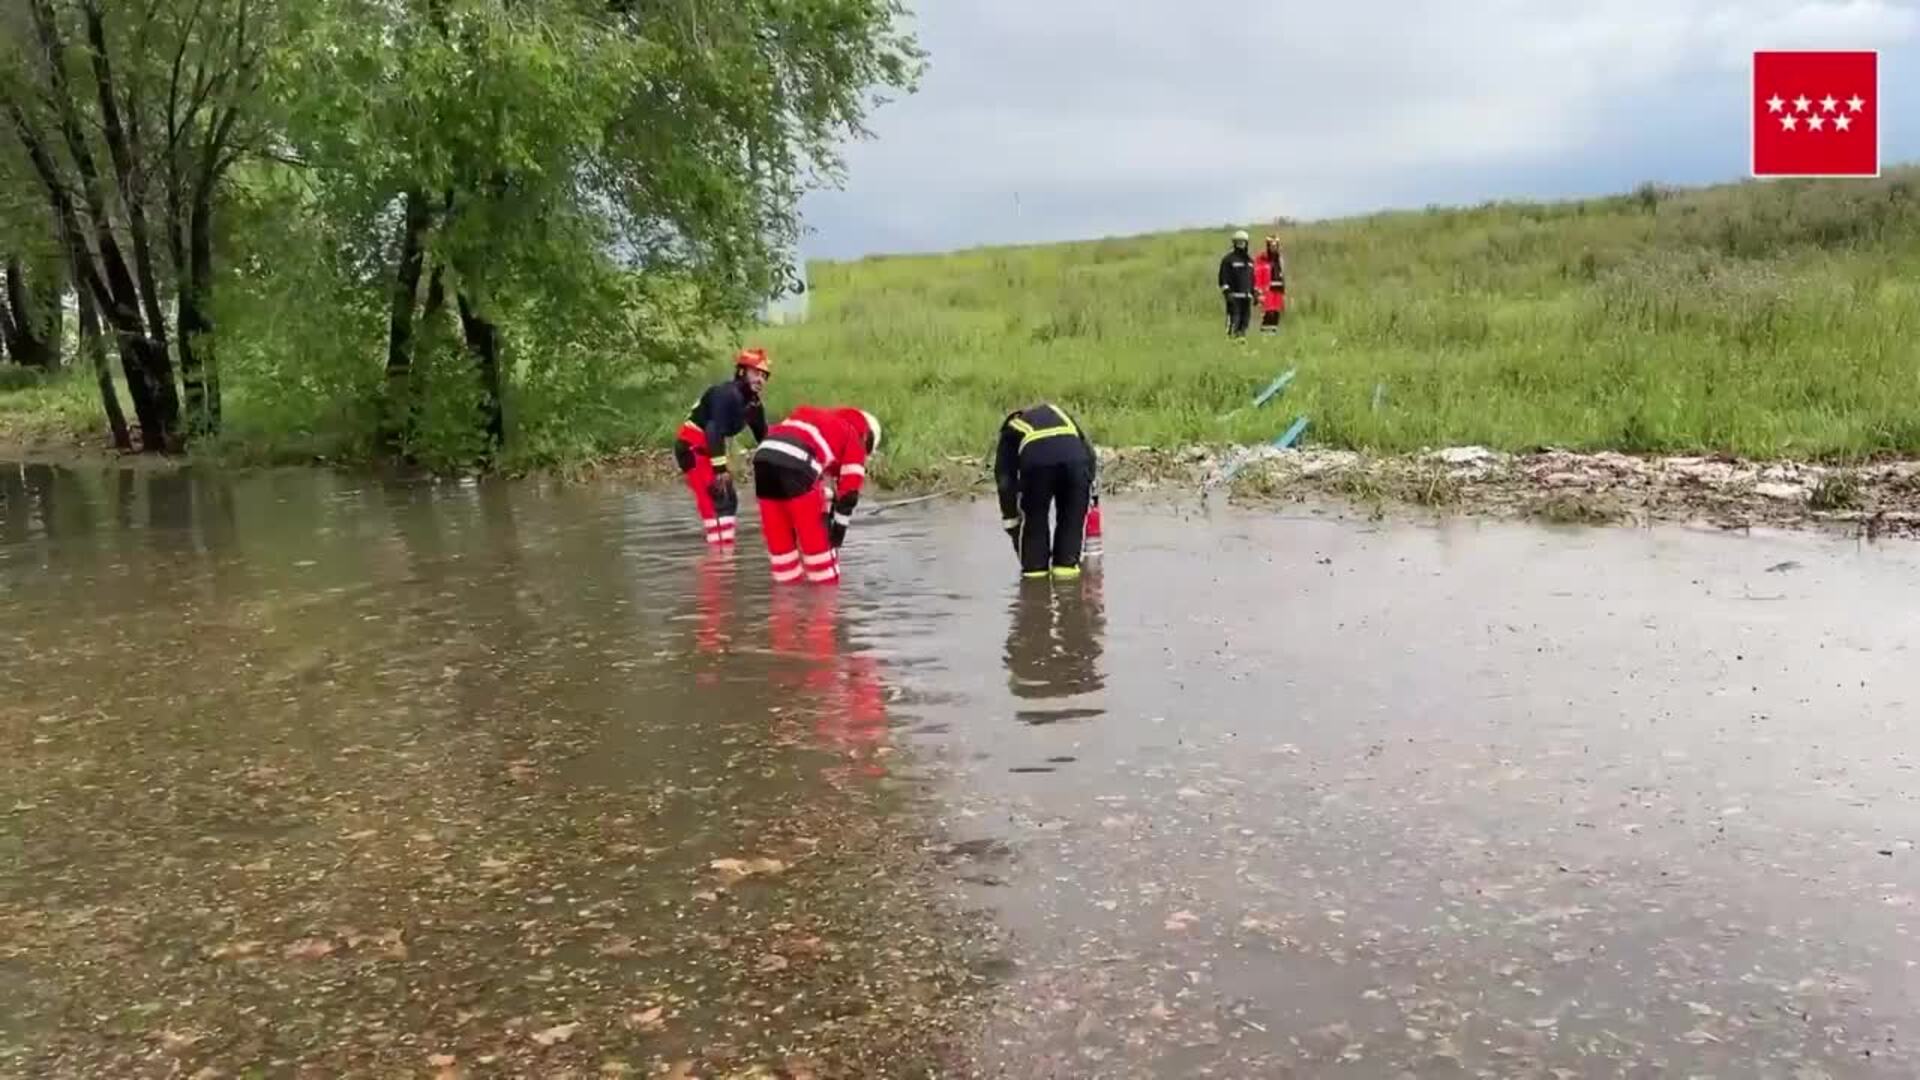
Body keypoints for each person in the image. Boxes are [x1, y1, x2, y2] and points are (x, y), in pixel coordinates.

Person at [751, 405, 881, 585]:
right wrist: (838, 533)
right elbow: (849, 494)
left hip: (763, 460)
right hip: (797, 464)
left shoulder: (815, 420)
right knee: (819, 551)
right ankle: (825, 601)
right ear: (866, 436)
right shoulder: (854, 434)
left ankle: (786, 601)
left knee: (781, 549)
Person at [673, 348, 771, 545]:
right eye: (756, 373)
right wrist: (720, 469)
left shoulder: (753, 404)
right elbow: (713, 429)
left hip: (709, 450)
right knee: (718, 502)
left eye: (764, 376)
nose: (760, 380)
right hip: (693, 449)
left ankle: (722, 554)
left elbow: (764, 437)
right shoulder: (726, 394)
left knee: (727, 502)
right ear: (742, 372)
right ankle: (719, 560)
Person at [995, 402, 1097, 581]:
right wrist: (1090, 492)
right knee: (1071, 523)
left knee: (1035, 522)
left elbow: (1005, 479)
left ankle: (1035, 586)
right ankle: (1068, 587)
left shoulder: (1011, 428)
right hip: (1077, 462)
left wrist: (1010, 519)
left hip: (1038, 464)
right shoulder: (1063, 414)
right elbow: (1090, 454)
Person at [1218, 229, 1256, 339]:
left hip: (1246, 297)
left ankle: (1241, 341)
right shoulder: (1228, 260)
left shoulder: (1250, 262)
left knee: (1245, 322)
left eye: (1243, 242)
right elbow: (1223, 278)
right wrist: (1227, 292)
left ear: (1247, 243)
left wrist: (1255, 293)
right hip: (1234, 297)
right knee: (1233, 321)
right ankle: (1229, 341)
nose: (1241, 245)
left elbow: (1252, 279)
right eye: (1238, 242)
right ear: (1234, 243)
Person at [1254, 234, 1287, 333]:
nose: (1274, 247)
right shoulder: (1262, 258)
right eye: (1272, 245)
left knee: (1276, 312)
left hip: (1278, 289)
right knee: (1268, 312)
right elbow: (1257, 275)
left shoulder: (1279, 259)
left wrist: (1284, 290)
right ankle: (1264, 334)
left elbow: (1282, 275)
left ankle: (1273, 334)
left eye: (1275, 245)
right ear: (1268, 245)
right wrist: (1258, 292)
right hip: (1267, 290)